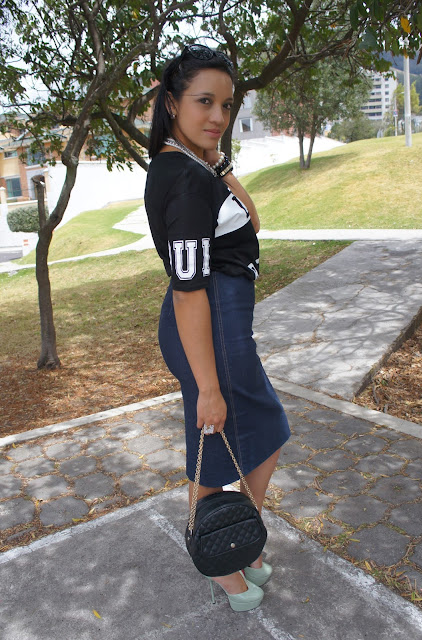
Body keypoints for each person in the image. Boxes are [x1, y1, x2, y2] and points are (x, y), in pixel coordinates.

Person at [144, 44, 290, 612]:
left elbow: (252, 219)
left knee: (260, 430)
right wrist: (207, 385)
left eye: (226, 106)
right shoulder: (182, 179)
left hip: (225, 320)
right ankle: (220, 559)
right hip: (210, 324)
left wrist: (219, 161)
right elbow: (187, 291)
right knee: (217, 442)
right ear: (172, 102)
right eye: (204, 102)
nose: (218, 116)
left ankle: (238, 542)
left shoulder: (198, 167)